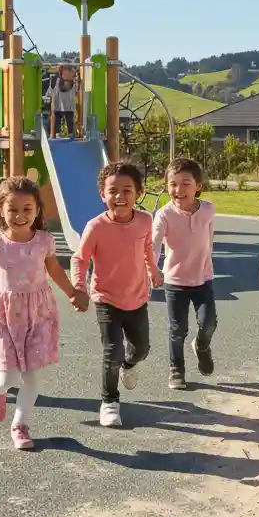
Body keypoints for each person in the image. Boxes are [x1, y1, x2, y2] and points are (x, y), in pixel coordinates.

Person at [0, 177, 90, 450]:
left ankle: (20, 424)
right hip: (4, 315)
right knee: (8, 375)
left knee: (31, 374)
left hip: (38, 313)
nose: (20, 216)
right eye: (13, 210)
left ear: (37, 210)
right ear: (1, 211)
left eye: (27, 209)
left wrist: (72, 293)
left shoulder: (44, 240)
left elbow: (54, 270)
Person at [71, 161, 163, 429]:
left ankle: (129, 365)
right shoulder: (96, 227)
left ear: (138, 193)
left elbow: (146, 249)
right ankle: (109, 402)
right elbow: (79, 259)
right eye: (113, 191)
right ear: (103, 195)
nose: (120, 197)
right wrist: (79, 287)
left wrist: (154, 270)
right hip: (106, 299)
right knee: (112, 351)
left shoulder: (145, 221)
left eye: (127, 191)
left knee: (142, 349)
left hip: (137, 299)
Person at [151, 157, 217, 391]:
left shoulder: (208, 209)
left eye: (185, 184)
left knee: (208, 322)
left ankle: (201, 345)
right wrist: (153, 268)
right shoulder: (164, 214)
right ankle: (176, 369)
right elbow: (154, 244)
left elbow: (209, 240)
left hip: (203, 279)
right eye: (173, 184)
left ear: (198, 186)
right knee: (177, 329)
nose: (178, 190)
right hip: (175, 281)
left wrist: (206, 262)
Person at [47, 65, 77, 137]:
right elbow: (50, 92)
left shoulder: (74, 82)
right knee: (57, 122)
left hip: (68, 108)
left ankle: (70, 135)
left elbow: (77, 90)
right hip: (58, 107)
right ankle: (58, 134)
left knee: (70, 123)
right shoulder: (55, 81)